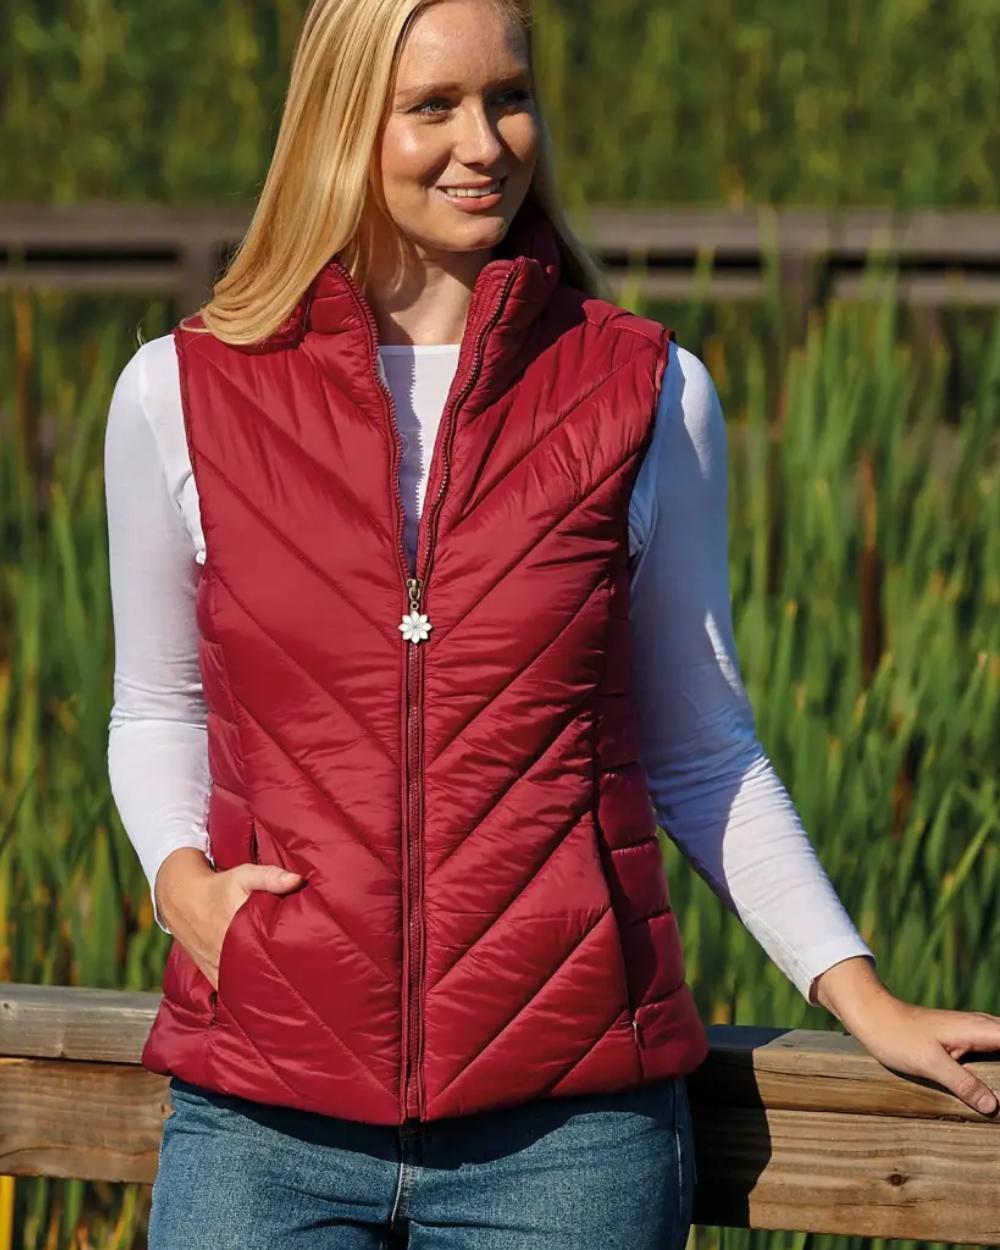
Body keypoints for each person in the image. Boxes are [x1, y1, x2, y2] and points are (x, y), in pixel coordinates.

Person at [103, 0, 1000, 1245]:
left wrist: (861, 996)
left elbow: (703, 751)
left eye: (507, 96)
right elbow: (156, 708)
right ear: (338, 124)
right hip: (263, 1120)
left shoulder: (646, 391)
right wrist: (180, 885)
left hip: (569, 1143)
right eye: (432, 107)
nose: (484, 143)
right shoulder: (180, 391)